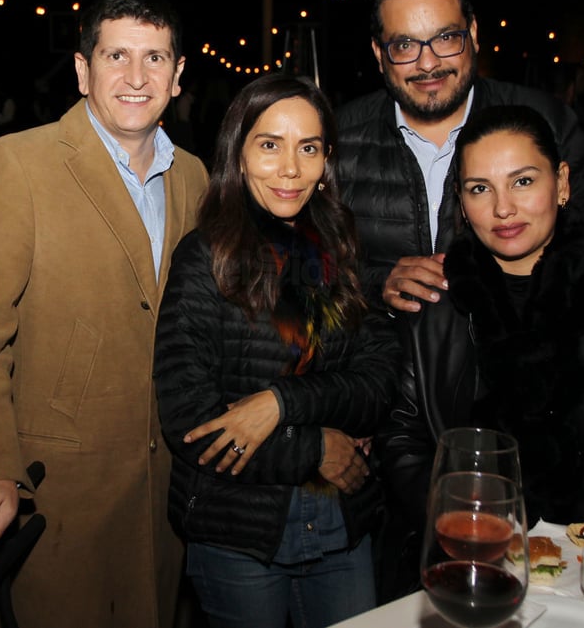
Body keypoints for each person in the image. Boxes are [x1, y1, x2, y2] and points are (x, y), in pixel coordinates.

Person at [0, 0, 209, 628]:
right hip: (58, 491)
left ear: (178, 73)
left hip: (165, 491)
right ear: (83, 71)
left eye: (155, 58)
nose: (136, 77)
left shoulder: (194, 176)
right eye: (116, 56)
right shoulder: (18, 165)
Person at [375, 103, 584, 598]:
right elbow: (403, 436)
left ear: (562, 183)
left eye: (522, 181)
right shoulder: (432, 298)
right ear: (460, 198)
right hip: (458, 559)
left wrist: (560, 545)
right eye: (480, 189)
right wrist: (465, 524)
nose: (502, 209)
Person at [154, 73, 400, 628]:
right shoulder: (205, 259)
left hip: (342, 522)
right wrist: (314, 449)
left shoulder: (341, 246)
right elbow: (191, 422)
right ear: (238, 155)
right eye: (270, 145)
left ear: (326, 160)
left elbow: (379, 383)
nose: (291, 168)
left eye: (308, 148)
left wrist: (280, 403)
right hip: (237, 531)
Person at [335, 0, 584, 317]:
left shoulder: (544, 119)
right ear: (379, 54)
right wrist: (378, 283)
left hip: (509, 358)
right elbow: (306, 259)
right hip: (380, 363)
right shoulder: (339, 138)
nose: (428, 63)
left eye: (446, 38)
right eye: (405, 45)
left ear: (472, 34)